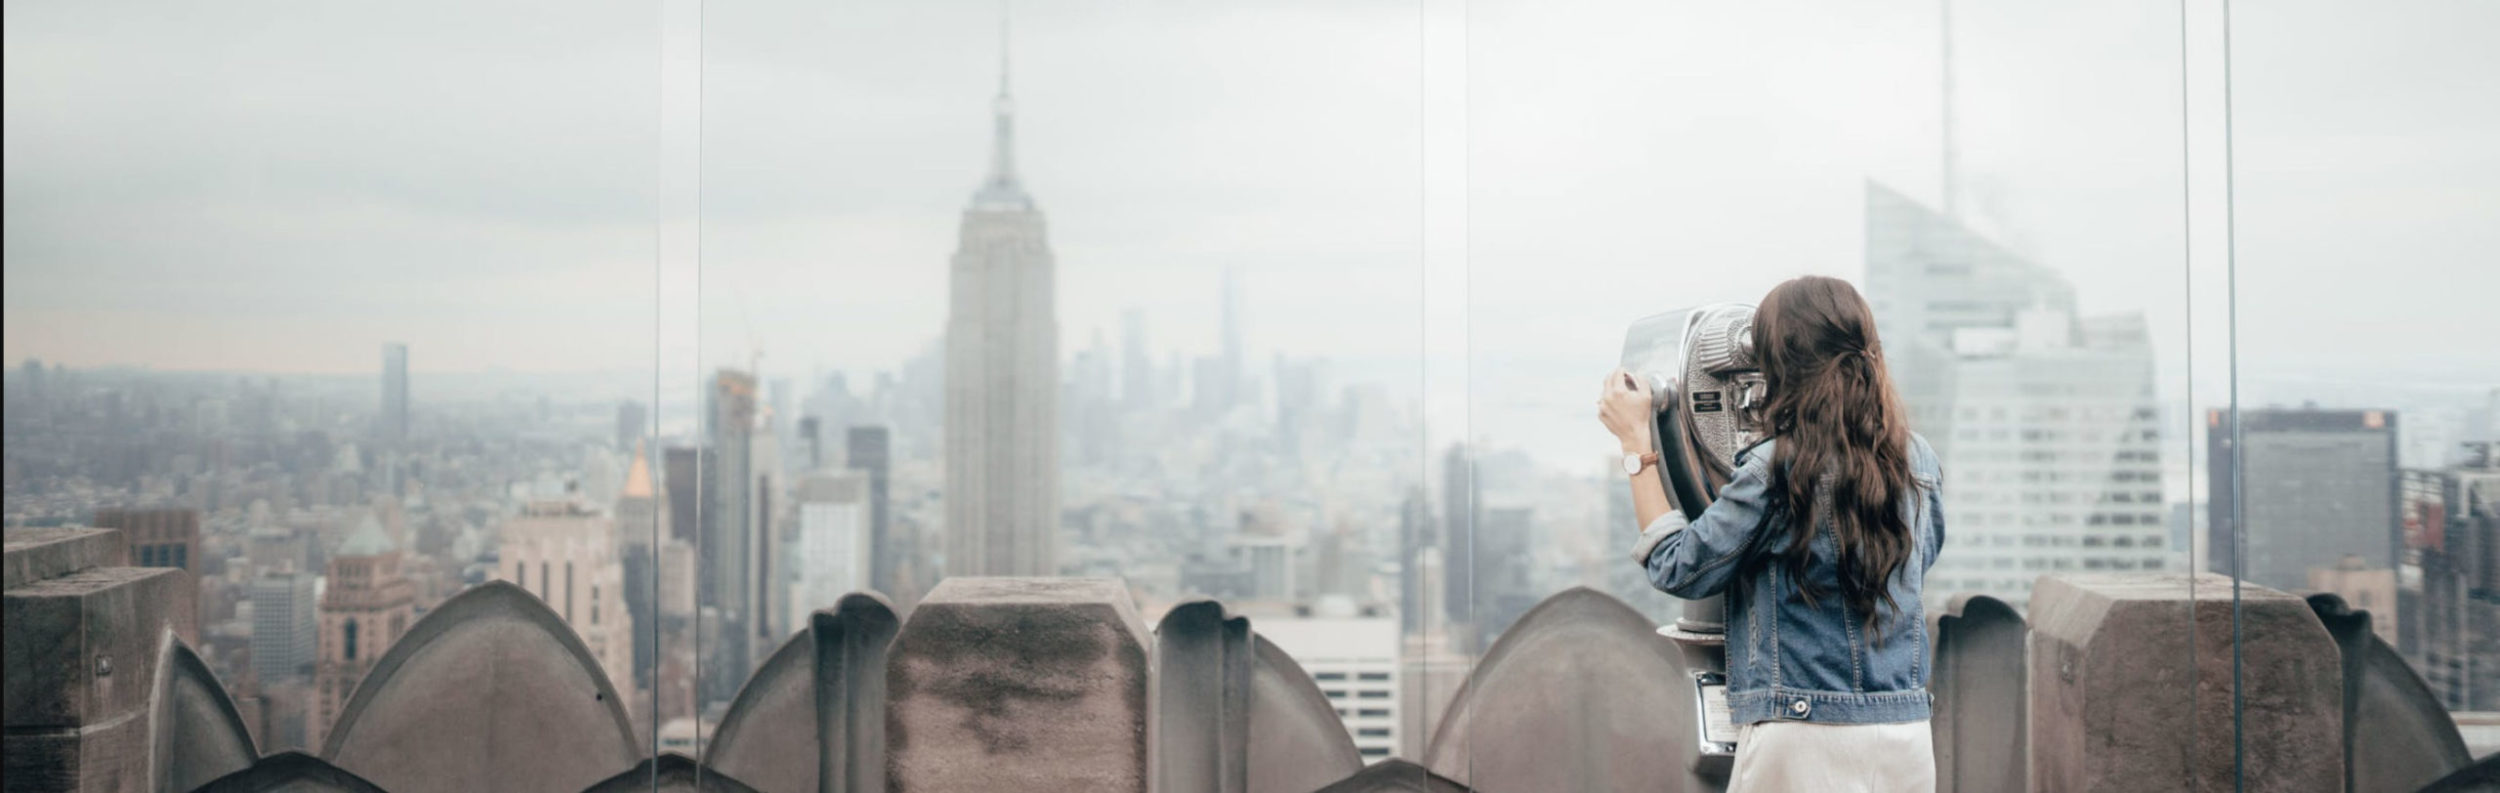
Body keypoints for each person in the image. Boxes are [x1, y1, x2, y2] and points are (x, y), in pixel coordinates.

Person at [1598, 275, 1942, 792]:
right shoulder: (1918, 459)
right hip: (1905, 731)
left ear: (1776, 366)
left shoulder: (1777, 470)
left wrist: (1636, 443)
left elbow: (1678, 565)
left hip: (1801, 734)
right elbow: (1921, 557)